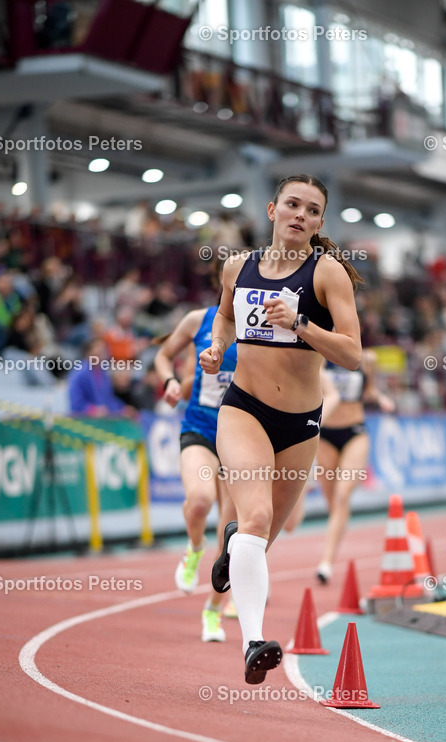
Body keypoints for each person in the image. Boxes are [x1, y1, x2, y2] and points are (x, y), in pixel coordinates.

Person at [199, 173, 363, 684]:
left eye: (312, 211)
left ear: (319, 223)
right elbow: (224, 319)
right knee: (256, 518)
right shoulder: (236, 267)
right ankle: (253, 642)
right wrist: (216, 347)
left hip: (302, 423)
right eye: (292, 205)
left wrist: (300, 324)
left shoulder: (327, 274)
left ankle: (232, 548)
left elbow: (354, 355)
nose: (301, 216)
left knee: (262, 539)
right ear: (271, 210)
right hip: (243, 408)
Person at [154, 299, 238, 642]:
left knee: (232, 533)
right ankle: (193, 547)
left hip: (240, 436)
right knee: (200, 500)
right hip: (200, 430)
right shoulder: (197, 320)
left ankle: (213, 611)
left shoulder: (262, 328)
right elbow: (161, 357)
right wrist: (171, 382)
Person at [315, 349, 395, 583]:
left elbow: (369, 390)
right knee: (333, 504)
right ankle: (337, 533)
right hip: (325, 434)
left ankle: (326, 563)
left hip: (355, 433)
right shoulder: (320, 353)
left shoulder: (366, 358)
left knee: (342, 497)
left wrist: (381, 398)